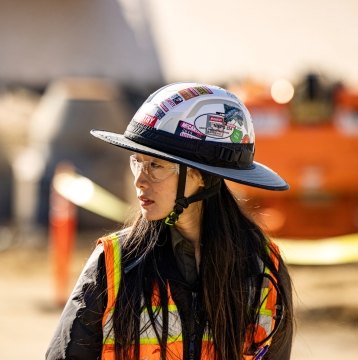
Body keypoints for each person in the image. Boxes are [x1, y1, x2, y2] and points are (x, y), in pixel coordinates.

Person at [46, 82, 294, 360]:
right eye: (137, 162)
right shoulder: (113, 263)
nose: (140, 180)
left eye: (156, 165)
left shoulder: (262, 267)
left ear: (203, 176)